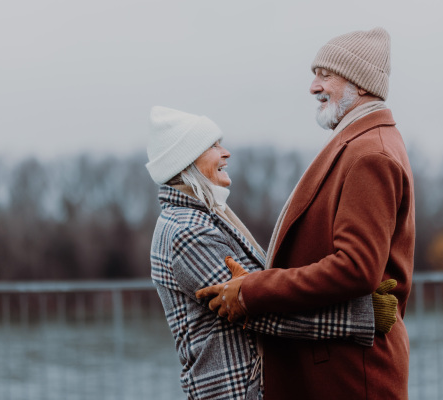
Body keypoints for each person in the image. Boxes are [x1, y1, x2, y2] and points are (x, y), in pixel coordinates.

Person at [196, 27, 415, 400]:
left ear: (359, 83)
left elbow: (356, 268)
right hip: (335, 371)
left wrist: (253, 291)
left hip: (349, 377)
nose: (313, 87)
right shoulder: (360, 143)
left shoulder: (369, 154)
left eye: (325, 74)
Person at [146, 105, 398, 399]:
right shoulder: (188, 233)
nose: (225, 152)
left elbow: (256, 293)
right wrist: (358, 316)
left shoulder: (203, 218)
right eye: (212, 146)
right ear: (185, 160)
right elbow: (256, 310)